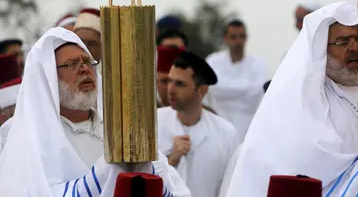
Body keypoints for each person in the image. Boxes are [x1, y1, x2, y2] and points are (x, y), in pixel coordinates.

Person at [0, 27, 188, 197]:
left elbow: (173, 187)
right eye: (71, 64)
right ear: (48, 78)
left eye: (87, 61)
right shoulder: (32, 138)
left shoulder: (118, 128)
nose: (84, 69)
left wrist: (144, 169)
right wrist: (105, 171)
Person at [225, 1, 358, 196]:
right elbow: (305, 165)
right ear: (322, 50)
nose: (354, 48)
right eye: (343, 42)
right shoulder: (300, 103)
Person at [158, 51, 238, 197]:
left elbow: (230, 187)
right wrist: (171, 160)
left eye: (180, 84)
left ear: (201, 91)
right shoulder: (154, 123)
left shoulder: (226, 133)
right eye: (170, 81)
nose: (171, 89)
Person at [206, 19, 268, 141]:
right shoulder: (213, 61)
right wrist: (246, 88)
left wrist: (227, 88)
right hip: (219, 129)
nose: (238, 41)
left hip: (249, 130)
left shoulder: (259, 63)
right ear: (226, 38)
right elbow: (215, 89)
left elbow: (257, 93)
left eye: (241, 37)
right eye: (233, 37)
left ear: (246, 38)